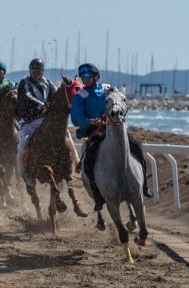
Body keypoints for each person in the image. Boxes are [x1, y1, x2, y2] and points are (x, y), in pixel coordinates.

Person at [70, 62, 153, 208]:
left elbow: (120, 101)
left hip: (114, 129)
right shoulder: (79, 95)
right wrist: (91, 122)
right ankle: (98, 198)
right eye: (83, 76)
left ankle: (144, 187)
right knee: (88, 162)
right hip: (93, 133)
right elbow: (76, 118)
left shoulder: (108, 88)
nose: (86, 79)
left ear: (96, 76)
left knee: (137, 149)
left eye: (89, 76)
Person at [15, 58, 55, 183]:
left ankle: (74, 161)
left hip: (45, 121)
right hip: (28, 122)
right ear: (30, 71)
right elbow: (28, 96)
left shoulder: (49, 83)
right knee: (23, 145)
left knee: (65, 136)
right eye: (34, 70)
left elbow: (57, 95)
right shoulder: (24, 83)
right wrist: (42, 105)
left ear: (42, 71)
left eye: (38, 71)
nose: (36, 73)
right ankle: (22, 170)